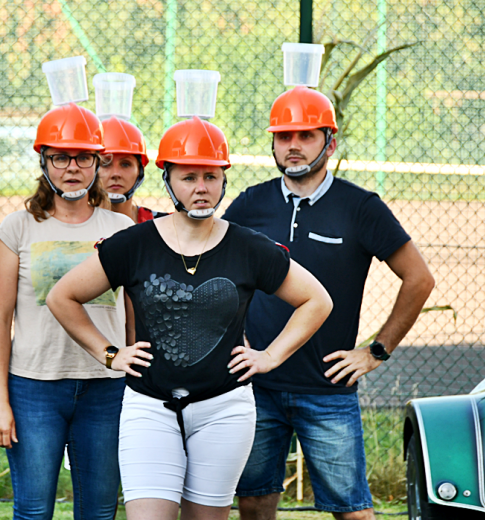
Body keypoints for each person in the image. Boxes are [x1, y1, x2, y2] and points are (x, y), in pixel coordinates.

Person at [47, 116, 333, 520]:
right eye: (188, 177)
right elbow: (63, 296)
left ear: (223, 180)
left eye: (211, 176)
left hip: (225, 408)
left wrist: (270, 356)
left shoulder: (249, 247)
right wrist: (109, 353)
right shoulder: (134, 243)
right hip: (149, 405)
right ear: (167, 179)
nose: (201, 188)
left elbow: (317, 300)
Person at [223, 86, 436, 520]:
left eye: (306, 135)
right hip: (256, 386)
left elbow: (419, 279)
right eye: (284, 137)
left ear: (330, 142)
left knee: (353, 511)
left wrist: (377, 351)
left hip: (327, 390)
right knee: (254, 503)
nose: (294, 146)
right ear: (273, 144)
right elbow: (219, 272)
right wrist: (237, 335)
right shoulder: (250, 204)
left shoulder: (361, 208)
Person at [0, 102, 134, 520]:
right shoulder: (17, 228)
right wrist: (0, 400)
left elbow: (134, 318)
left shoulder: (121, 231)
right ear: (43, 161)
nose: (72, 167)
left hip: (106, 389)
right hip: (34, 389)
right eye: (60, 157)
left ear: (96, 163)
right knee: (33, 511)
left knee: (99, 511)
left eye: (84, 157)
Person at [99, 116, 165, 223]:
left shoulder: (162, 226)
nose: (116, 174)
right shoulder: (70, 225)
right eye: (105, 163)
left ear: (140, 171)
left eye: (125, 164)